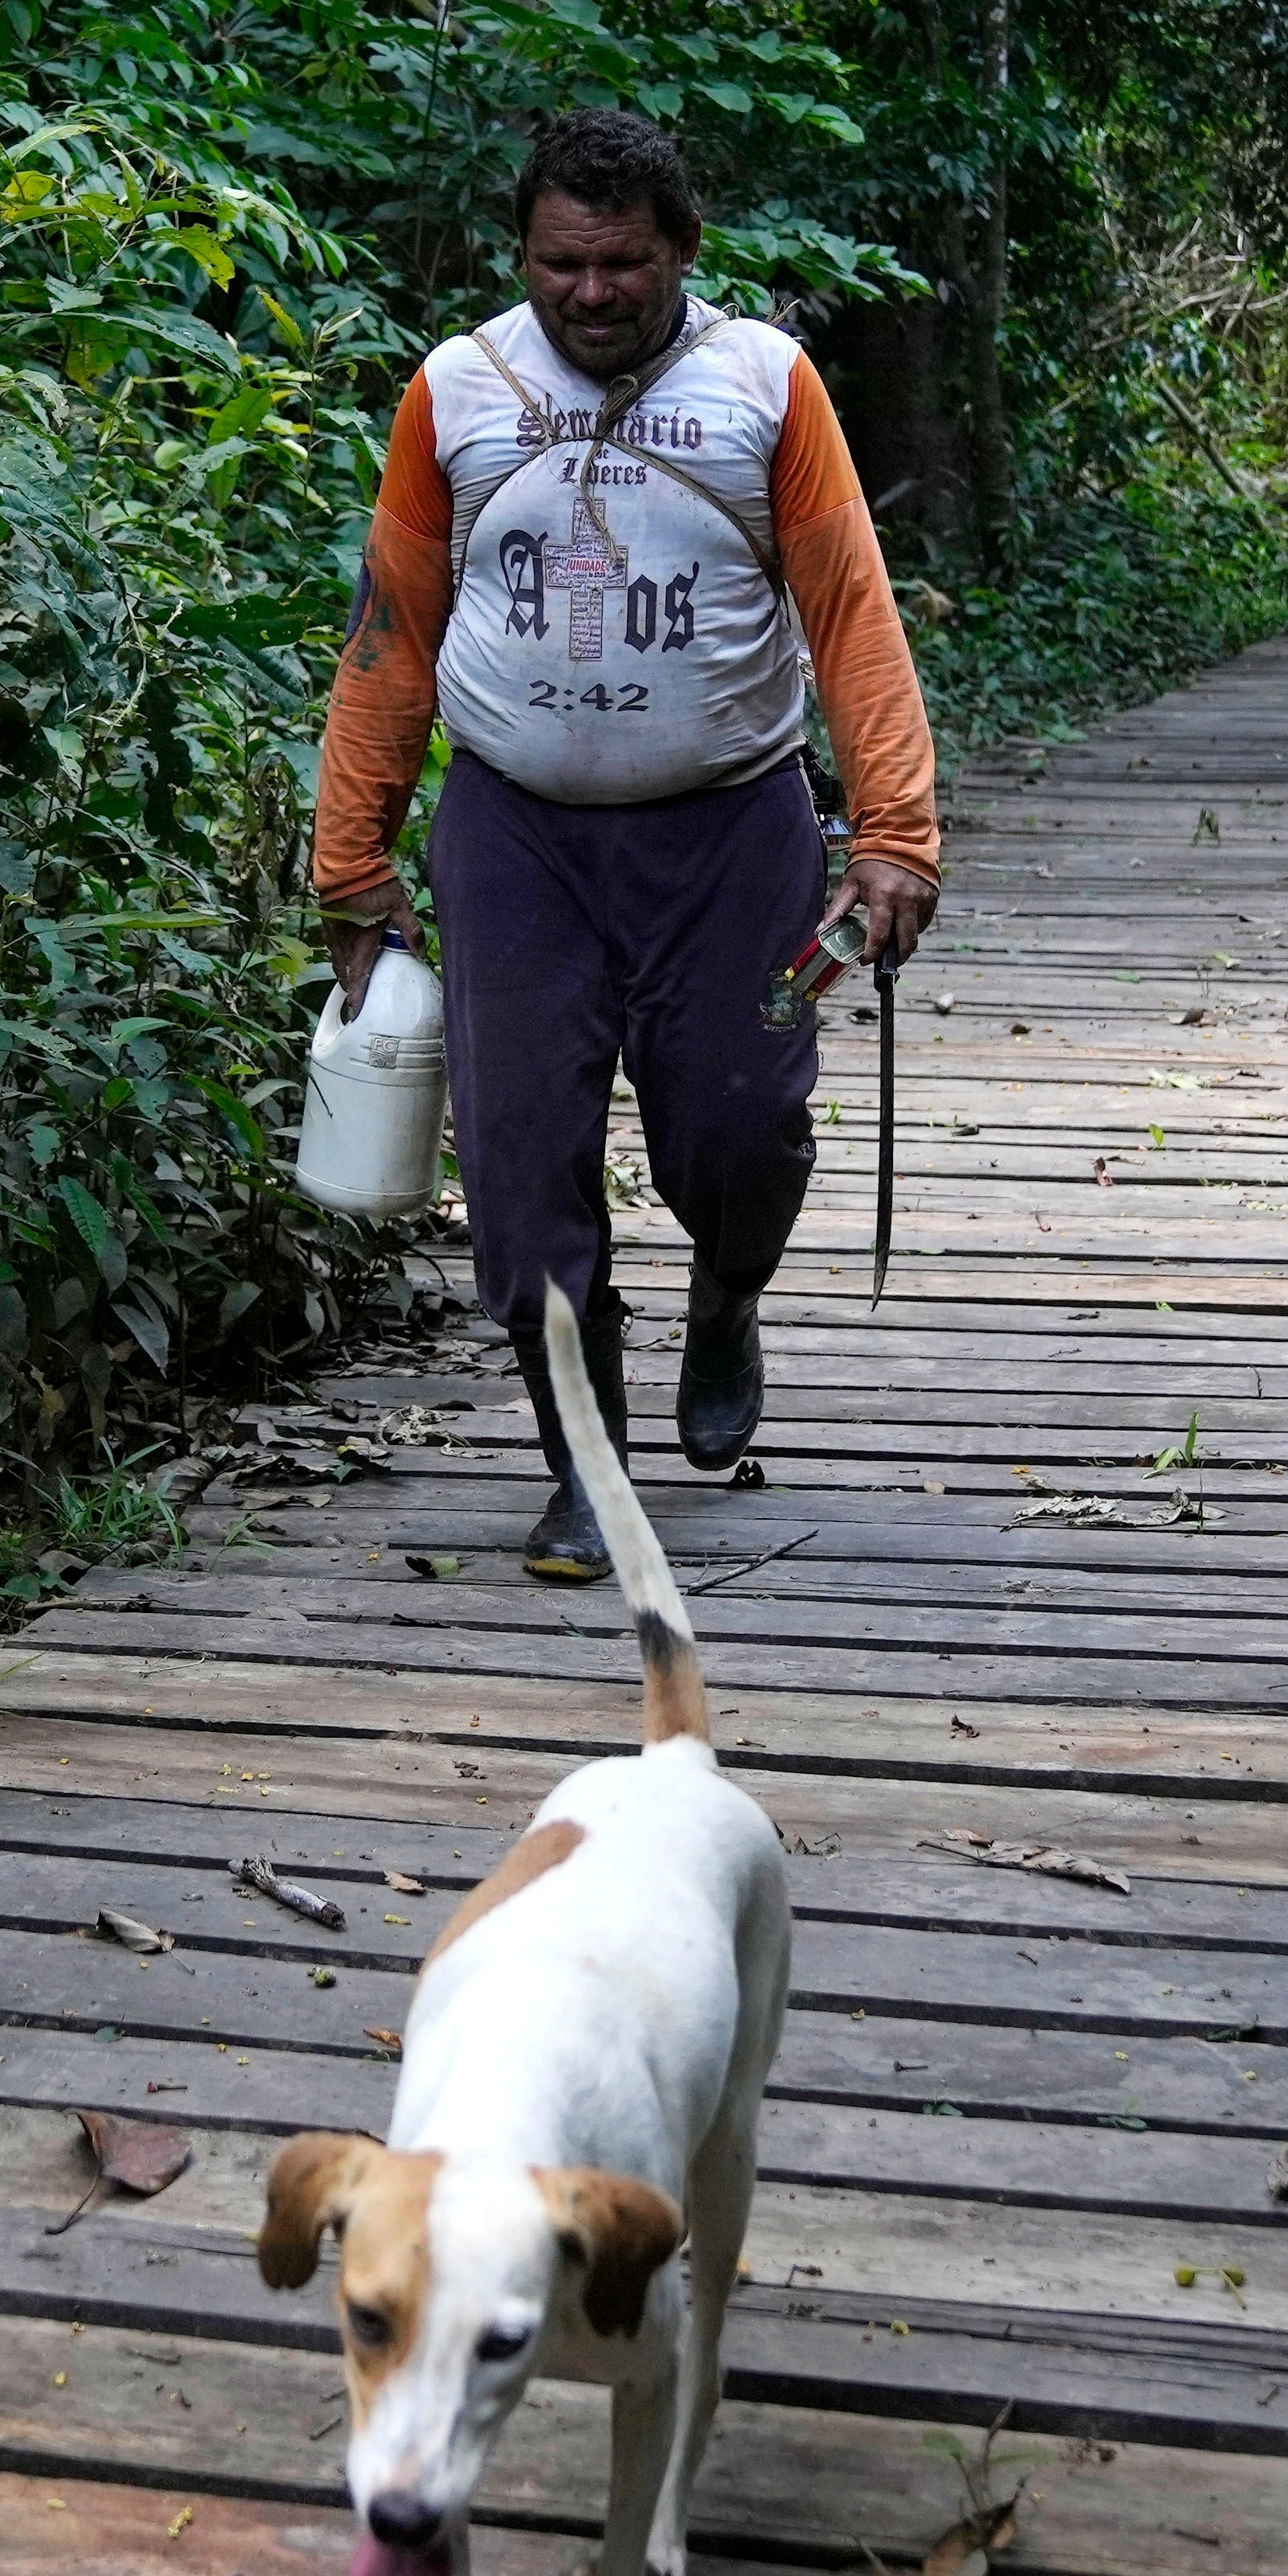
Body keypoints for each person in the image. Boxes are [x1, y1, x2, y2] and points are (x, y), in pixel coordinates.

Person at [318, 111, 947, 1581]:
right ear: (523, 255)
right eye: (561, 264)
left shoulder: (764, 386)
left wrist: (897, 829)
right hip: (512, 840)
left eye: (625, 264)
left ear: (685, 251)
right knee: (526, 1166)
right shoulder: (456, 391)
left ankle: (728, 1296)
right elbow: (393, 626)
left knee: (741, 1127)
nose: (591, 293)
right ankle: (585, 1469)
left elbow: (849, 608)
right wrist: (355, 866)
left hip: (739, 834)